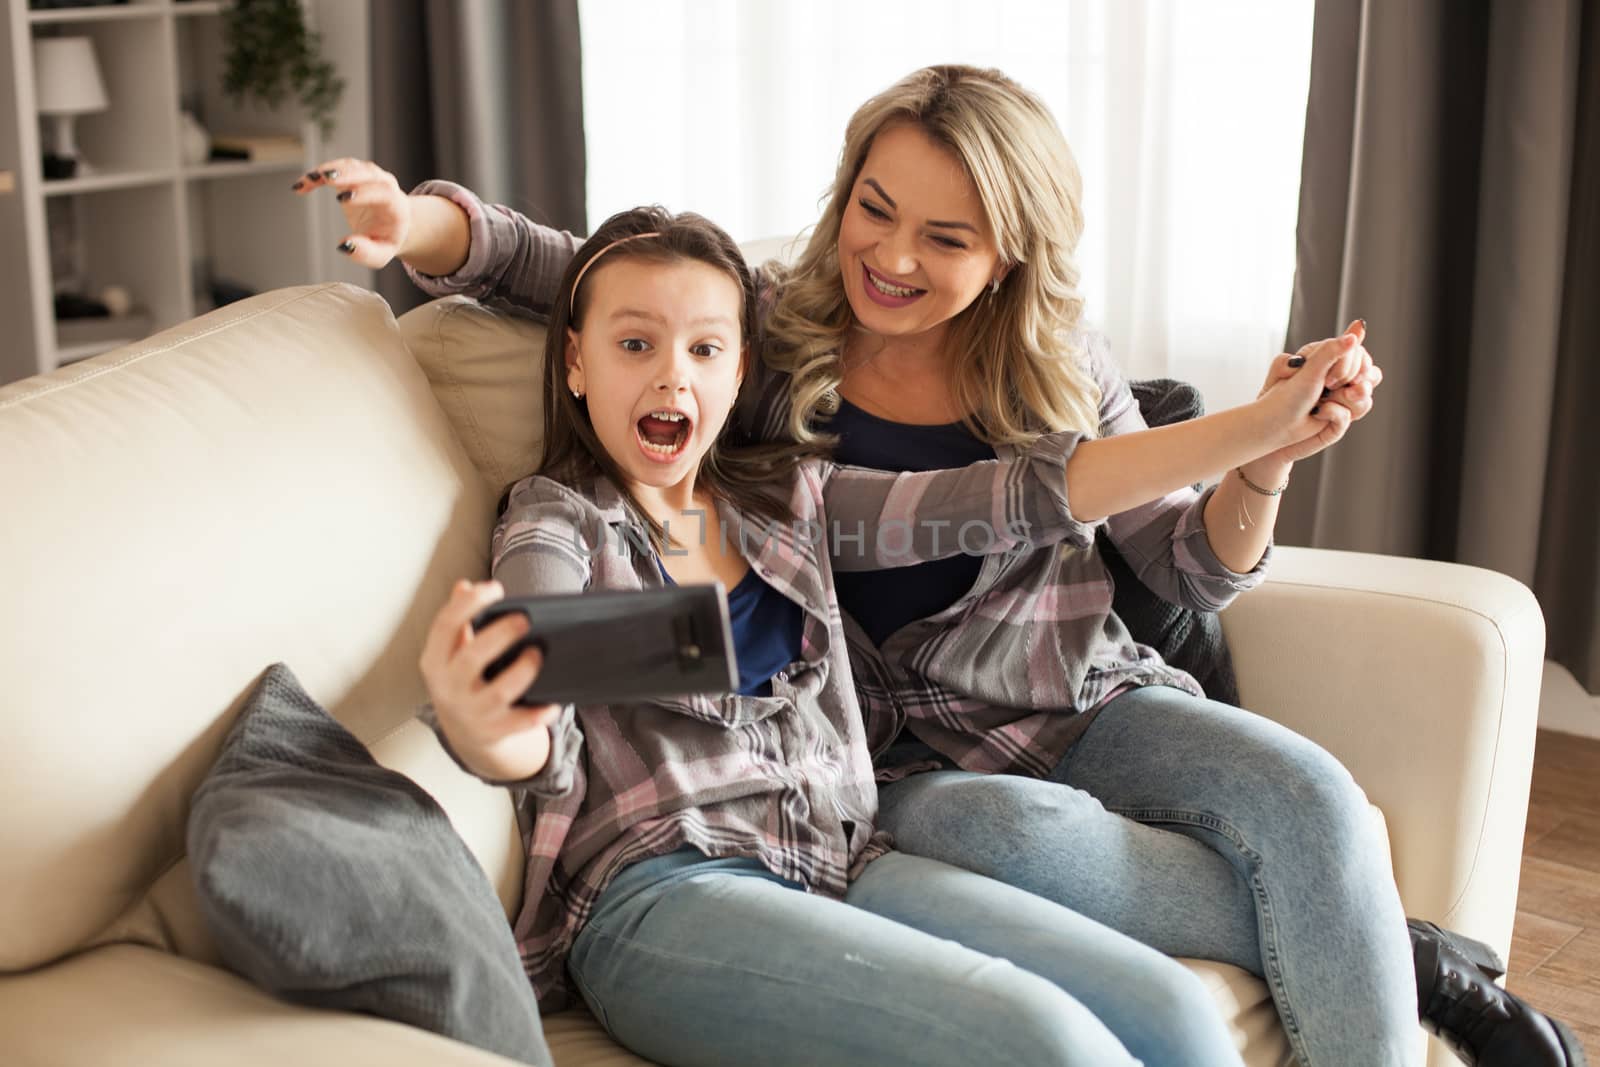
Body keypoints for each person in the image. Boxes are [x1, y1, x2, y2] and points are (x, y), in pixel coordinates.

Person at [297, 65, 1584, 1067]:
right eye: (875, 209)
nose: (895, 256)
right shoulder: (659, 435)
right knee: (1037, 856)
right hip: (867, 787)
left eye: (947, 236)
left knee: (1312, 812)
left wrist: (1266, 452)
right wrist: (425, 224)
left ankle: (1387, 952)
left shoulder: (812, 497)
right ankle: (1388, 946)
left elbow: (1081, 523)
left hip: (1012, 741)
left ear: (1008, 250)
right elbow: (587, 302)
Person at [412, 204, 1341, 1067]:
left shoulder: (793, 504)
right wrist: (495, 714)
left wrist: (1256, 436)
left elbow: (1010, 497)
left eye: (703, 349)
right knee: (1045, 1040)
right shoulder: (558, 521)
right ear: (577, 362)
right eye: (634, 344)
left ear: (739, 375)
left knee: (1171, 1014)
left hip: (840, 863)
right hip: (665, 892)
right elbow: (540, 678)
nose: (670, 374)